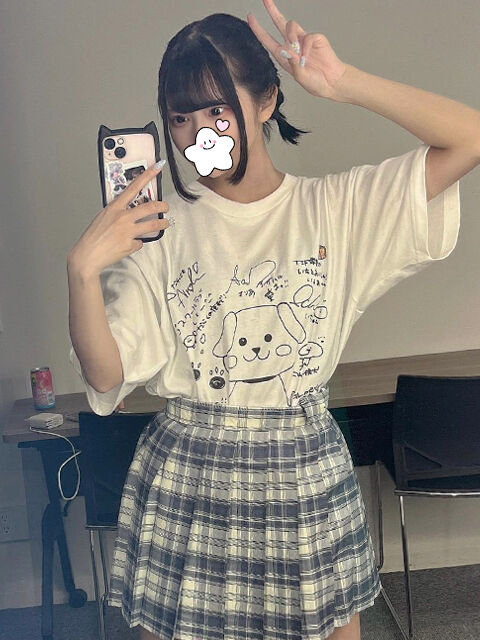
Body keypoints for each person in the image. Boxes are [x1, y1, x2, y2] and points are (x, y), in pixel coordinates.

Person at [67, 2, 480, 639]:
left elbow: (469, 138)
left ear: (266, 101)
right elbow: (106, 374)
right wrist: (82, 272)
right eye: (180, 117)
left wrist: (345, 83)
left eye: (216, 111)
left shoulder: (336, 209)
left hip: (303, 471)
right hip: (190, 477)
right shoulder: (156, 231)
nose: (197, 134)